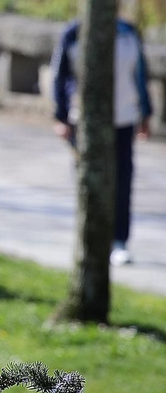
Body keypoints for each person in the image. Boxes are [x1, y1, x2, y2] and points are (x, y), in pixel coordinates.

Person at [52, 17, 154, 266]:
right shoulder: (73, 33)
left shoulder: (129, 32)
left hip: (123, 119)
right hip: (84, 120)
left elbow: (140, 74)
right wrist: (61, 116)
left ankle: (119, 241)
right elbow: (61, 76)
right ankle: (90, 239)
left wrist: (145, 113)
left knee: (122, 179)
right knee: (89, 180)